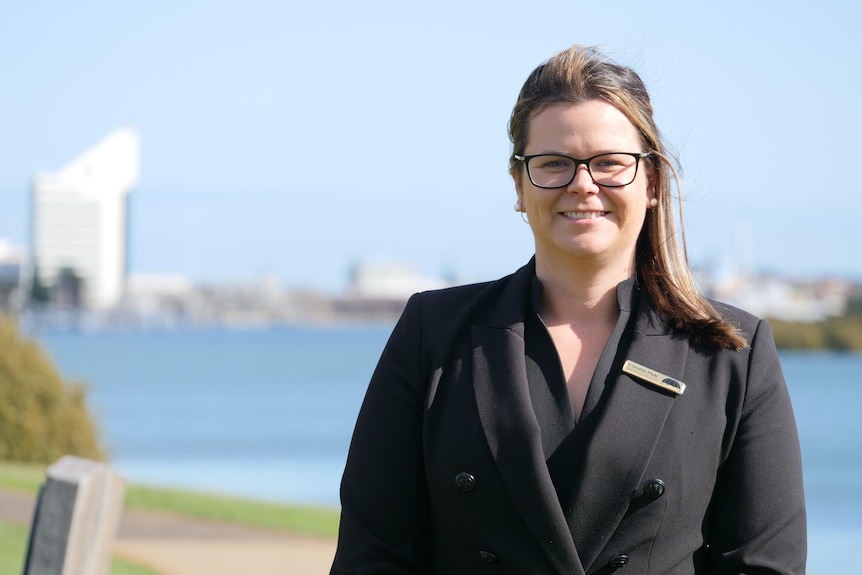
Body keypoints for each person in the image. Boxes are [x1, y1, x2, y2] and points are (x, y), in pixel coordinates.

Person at [330, 44, 806, 575]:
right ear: (519, 184)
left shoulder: (732, 350)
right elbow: (371, 557)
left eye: (609, 163)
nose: (583, 184)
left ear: (650, 182)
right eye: (554, 163)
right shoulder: (433, 334)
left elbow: (764, 566)